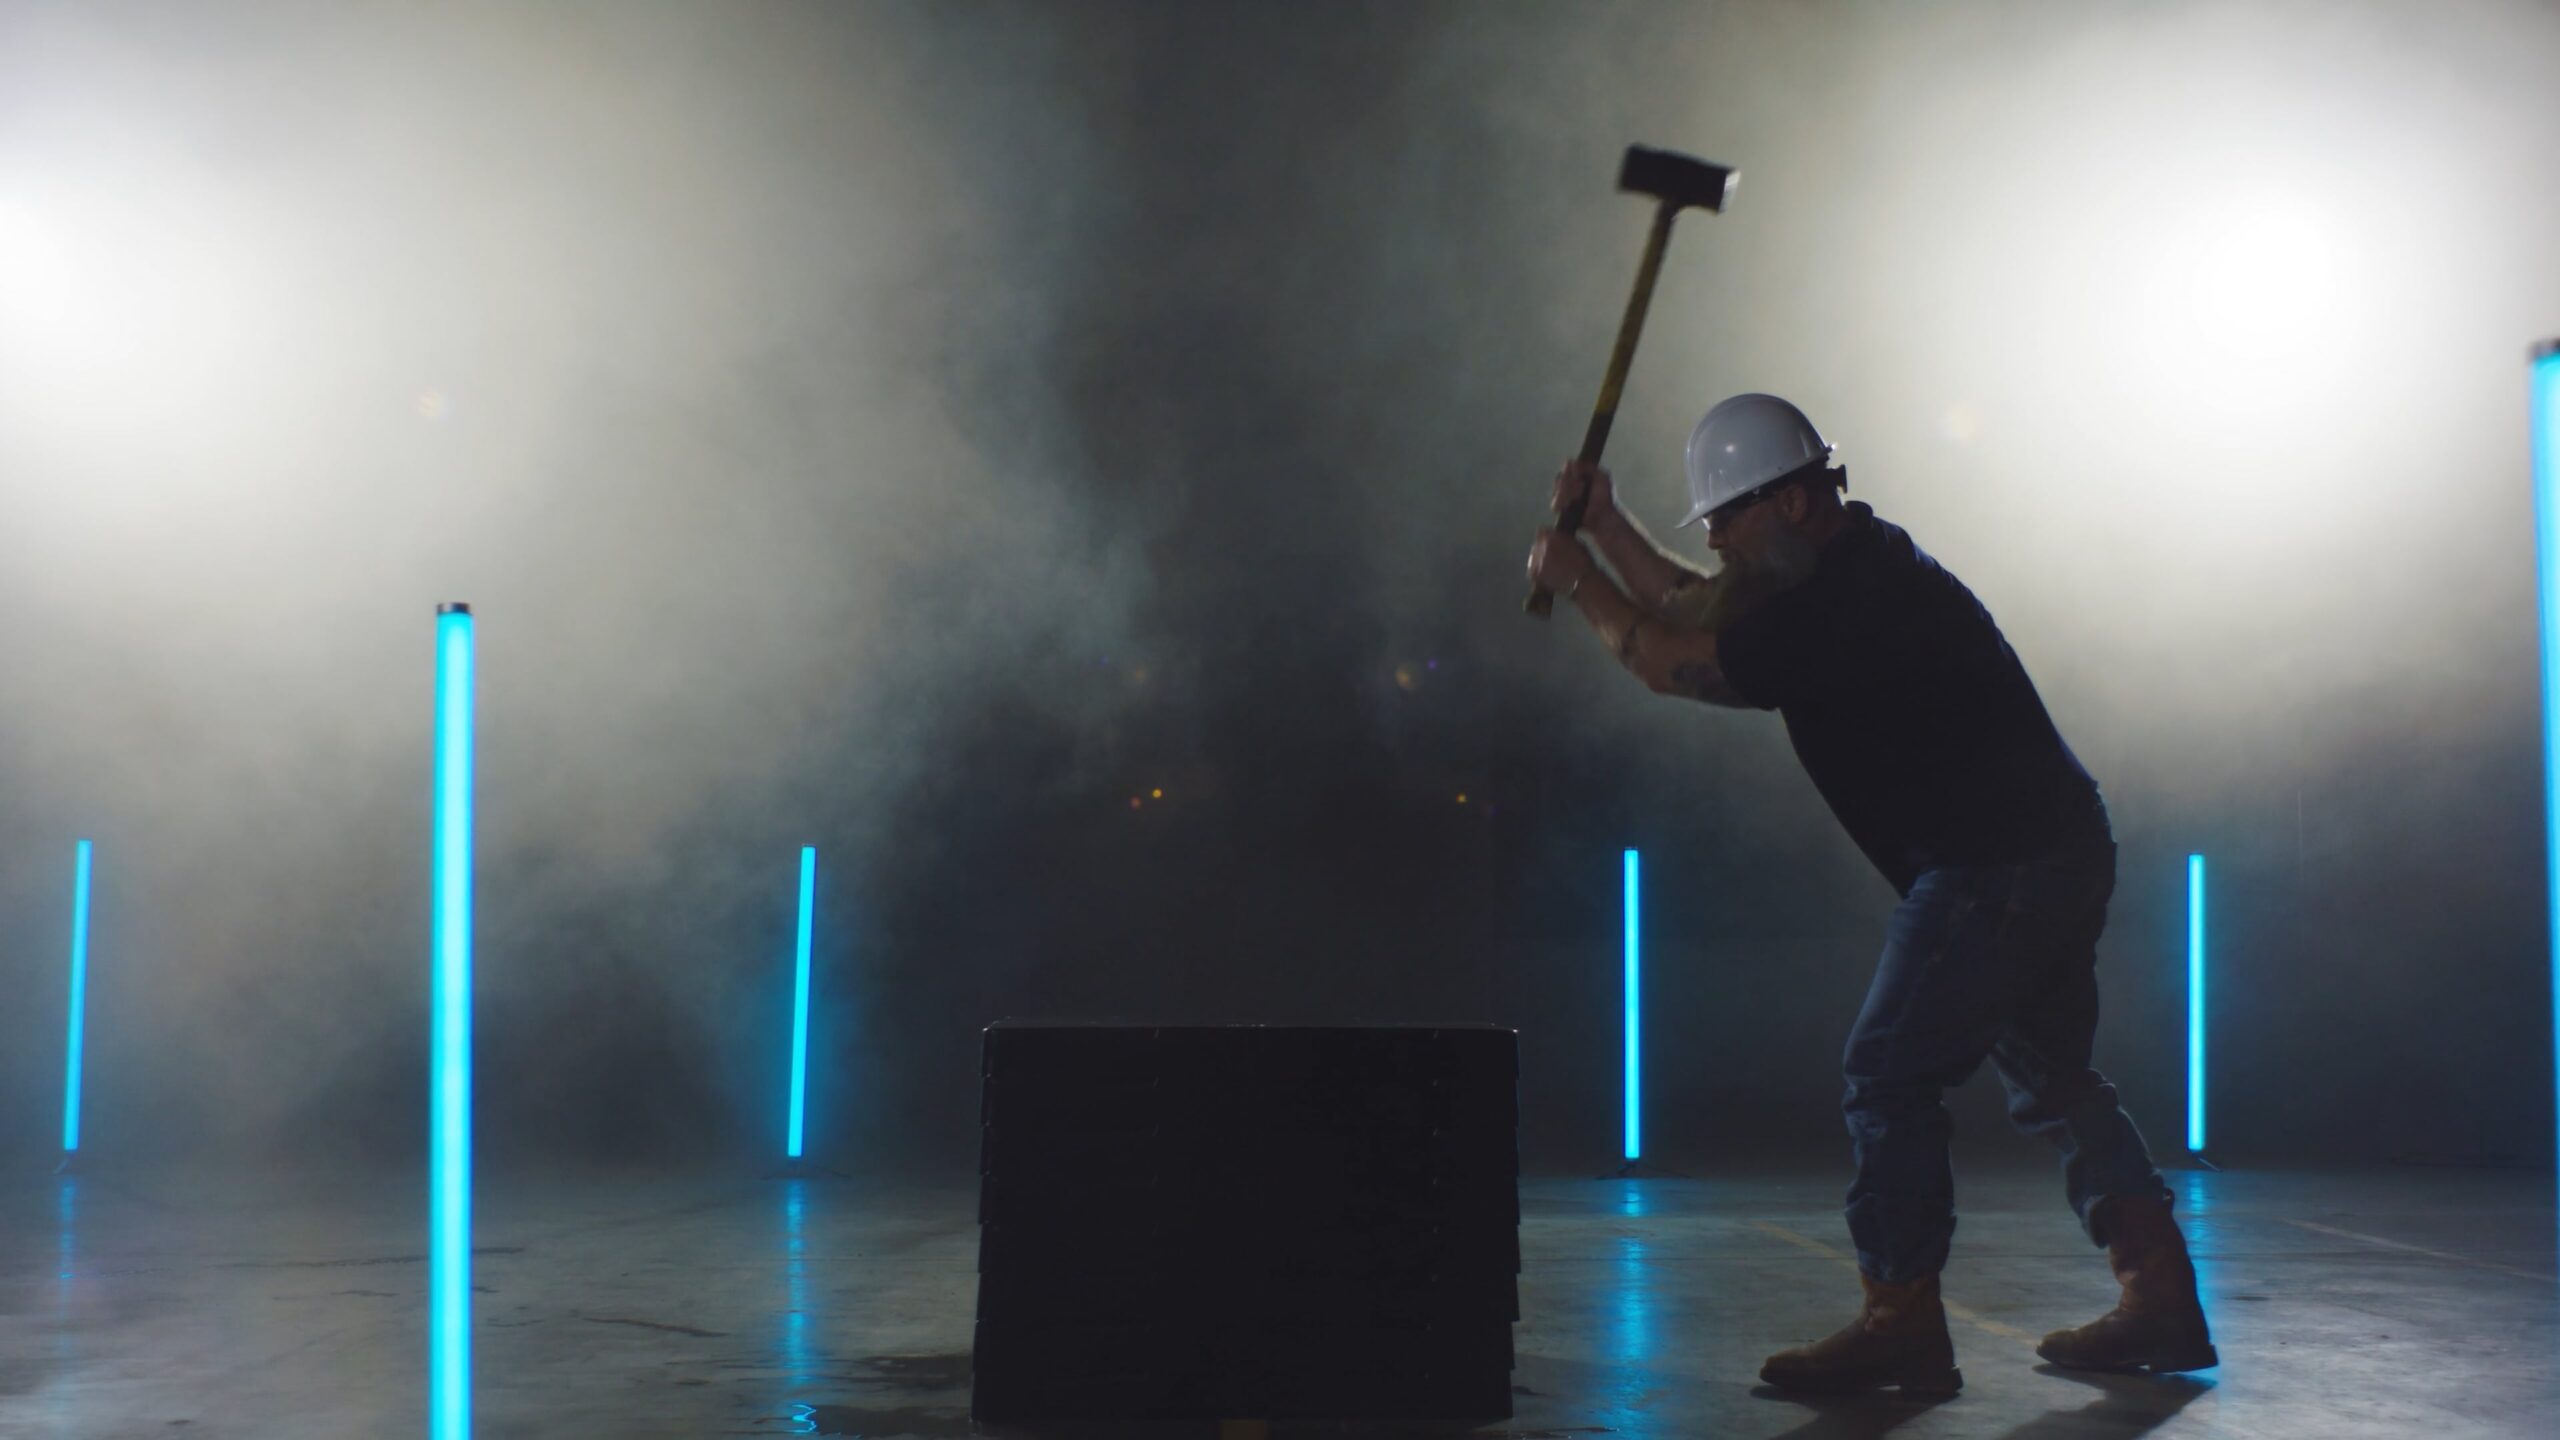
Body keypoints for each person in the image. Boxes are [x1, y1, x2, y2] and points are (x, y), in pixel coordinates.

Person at [1524, 393, 2217, 1394]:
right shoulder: (1838, 567)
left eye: (1727, 517)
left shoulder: (1843, 605)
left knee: (1887, 1075)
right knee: (2054, 1078)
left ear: (1792, 502)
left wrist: (1577, 580)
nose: (1715, 539)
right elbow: (1697, 603)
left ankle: (1902, 1324)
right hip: (2050, 849)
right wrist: (1604, 525)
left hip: (1995, 866)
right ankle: (2160, 1294)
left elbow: (1670, 661)